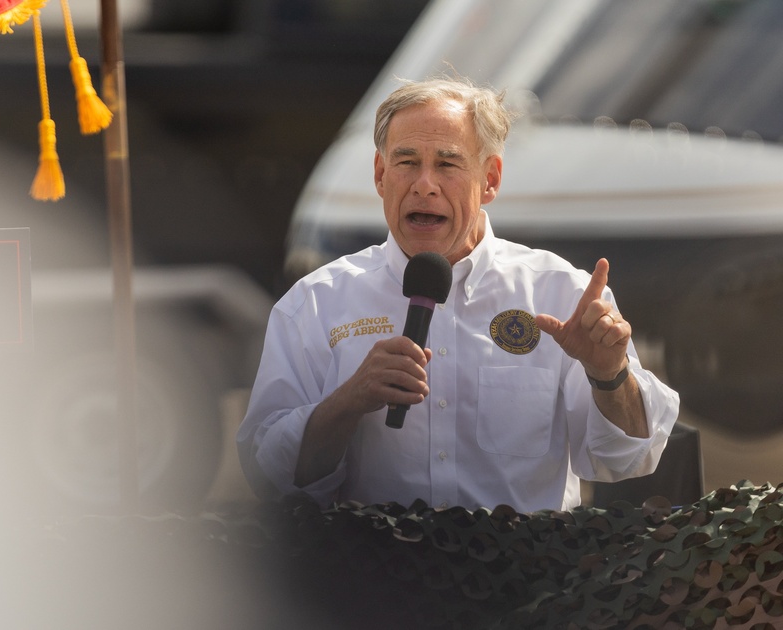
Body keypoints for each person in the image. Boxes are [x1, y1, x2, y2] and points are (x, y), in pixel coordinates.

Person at [237, 77, 680, 514]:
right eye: (406, 162)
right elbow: (268, 477)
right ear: (379, 174)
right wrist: (348, 401)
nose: (425, 184)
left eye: (448, 164)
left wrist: (609, 375)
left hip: (530, 580)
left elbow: (628, 460)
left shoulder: (560, 292)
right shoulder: (316, 303)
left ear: (490, 179)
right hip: (371, 579)